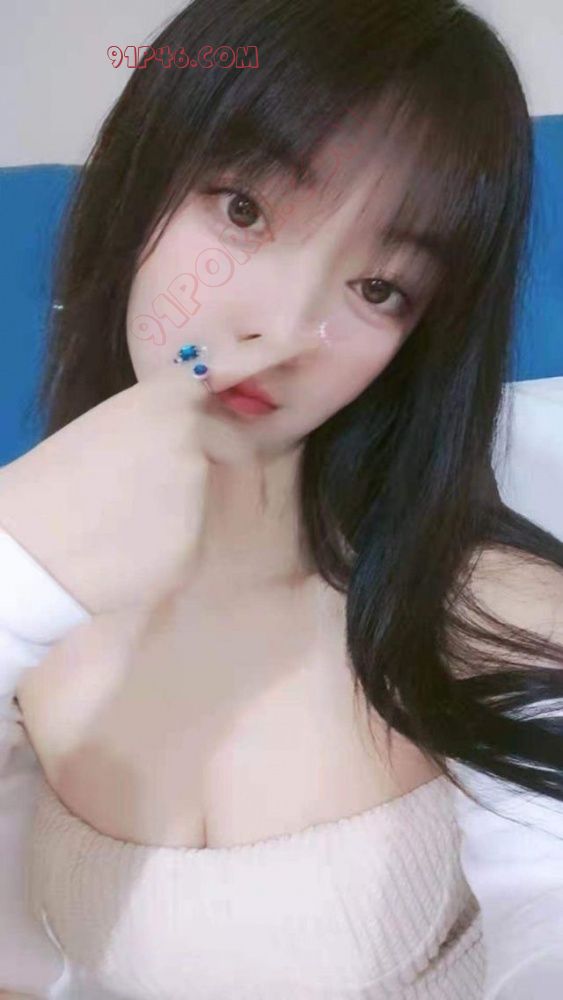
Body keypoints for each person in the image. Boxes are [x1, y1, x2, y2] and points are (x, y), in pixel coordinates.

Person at [1, 0, 563, 996]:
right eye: (242, 211)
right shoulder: (32, 586)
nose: (283, 329)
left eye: (379, 288)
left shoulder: (489, 612)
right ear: (141, 180)